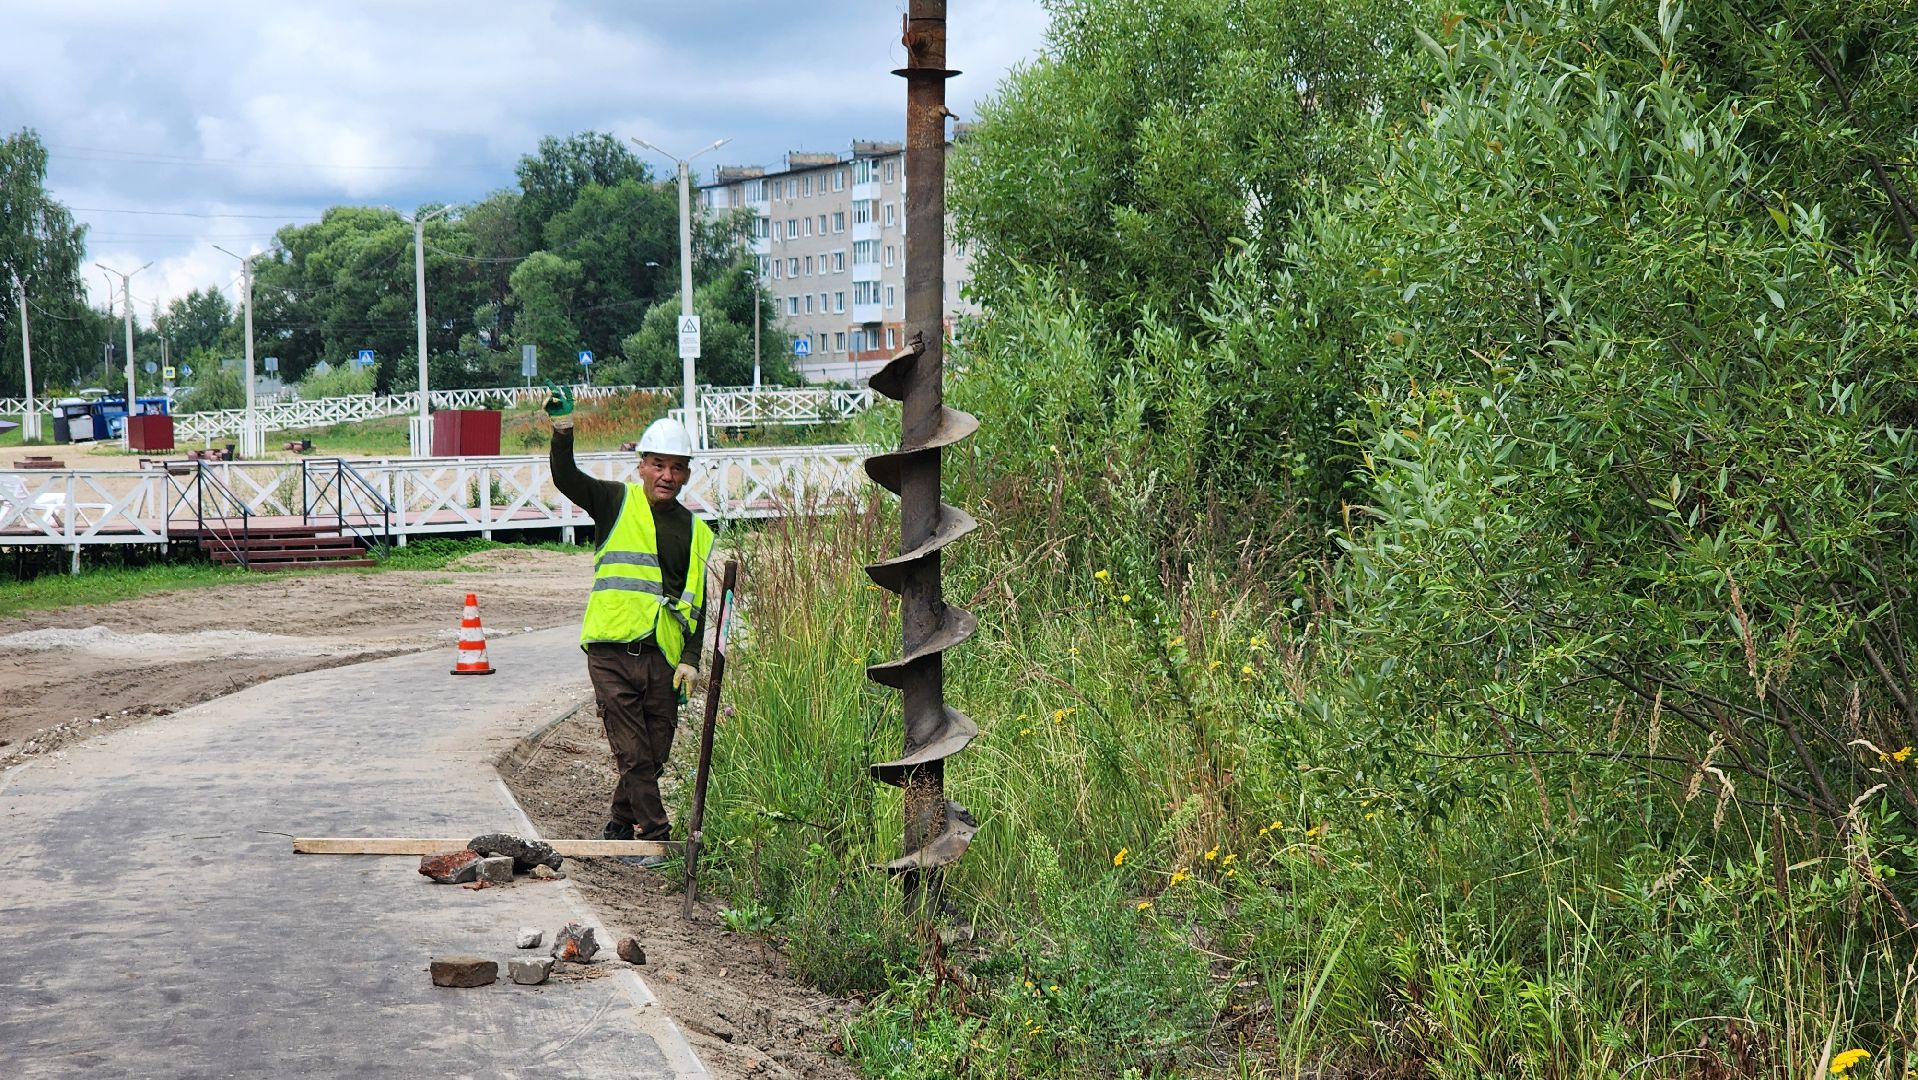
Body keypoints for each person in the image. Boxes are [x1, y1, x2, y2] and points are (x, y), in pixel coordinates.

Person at [545, 384, 714, 868]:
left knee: (655, 751)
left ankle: (619, 823)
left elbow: (695, 604)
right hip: (611, 651)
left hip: (662, 656)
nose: (666, 475)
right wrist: (562, 428)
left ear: (686, 473)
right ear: (641, 465)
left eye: (676, 467)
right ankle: (656, 837)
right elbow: (566, 477)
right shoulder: (615, 501)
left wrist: (689, 660)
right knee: (633, 752)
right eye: (657, 464)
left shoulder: (697, 531)